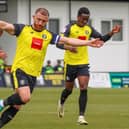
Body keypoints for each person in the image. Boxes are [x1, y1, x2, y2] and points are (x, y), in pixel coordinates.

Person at [0, 7, 104, 128]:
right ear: (33, 17)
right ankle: (2, 103)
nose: (40, 23)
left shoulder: (48, 35)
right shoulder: (22, 29)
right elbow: (4, 25)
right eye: (38, 19)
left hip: (33, 74)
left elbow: (68, 40)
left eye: (43, 21)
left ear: (47, 21)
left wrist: (88, 42)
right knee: (25, 97)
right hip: (20, 70)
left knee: (18, 104)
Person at [57, 7, 121, 125]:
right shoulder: (69, 27)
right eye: (83, 19)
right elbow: (58, 43)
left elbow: (101, 39)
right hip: (70, 63)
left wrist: (112, 33)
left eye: (87, 19)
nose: (85, 22)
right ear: (78, 17)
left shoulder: (89, 29)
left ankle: (81, 117)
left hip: (83, 63)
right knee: (69, 90)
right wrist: (69, 47)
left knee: (83, 87)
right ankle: (61, 103)